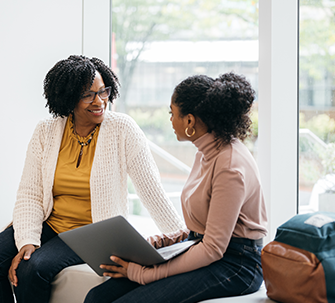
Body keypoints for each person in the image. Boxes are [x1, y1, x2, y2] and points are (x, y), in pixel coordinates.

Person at [0, 55, 184, 303]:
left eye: (103, 91)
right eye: (88, 95)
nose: (100, 101)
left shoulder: (122, 129)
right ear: (68, 97)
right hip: (50, 224)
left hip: (91, 232)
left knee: (32, 268)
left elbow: (151, 190)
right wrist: (28, 240)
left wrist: (181, 237)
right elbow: (30, 193)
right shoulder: (46, 131)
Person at [84, 72, 268, 303]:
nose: (170, 120)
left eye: (172, 113)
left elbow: (213, 248)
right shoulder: (206, 152)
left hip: (237, 264)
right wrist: (156, 244)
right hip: (203, 247)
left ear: (189, 121)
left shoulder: (229, 166)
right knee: (97, 297)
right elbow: (202, 229)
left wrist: (145, 274)